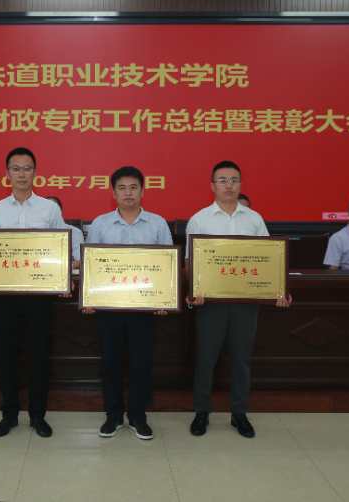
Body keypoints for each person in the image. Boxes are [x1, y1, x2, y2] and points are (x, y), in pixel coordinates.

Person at [187, 160, 292, 438]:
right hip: (210, 303)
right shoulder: (200, 219)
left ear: (241, 184)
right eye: (222, 180)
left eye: (234, 180)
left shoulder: (254, 219)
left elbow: (270, 258)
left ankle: (239, 413)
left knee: (242, 360)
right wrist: (194, 292)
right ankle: (201, 411)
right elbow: (191, 261)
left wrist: (279, 289)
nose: (229, 185)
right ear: (212, 186)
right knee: (206, 359)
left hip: (246, 302)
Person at [0, 147, 66, 438]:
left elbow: (62, 247)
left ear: (35, 173)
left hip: (39, 297)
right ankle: (9, 414)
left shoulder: (49, 209)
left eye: (27, 168)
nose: (22, 174)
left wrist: (64, 279)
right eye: (16, 168)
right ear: (7, 173)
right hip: (5, 297)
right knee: (6, 356)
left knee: (39, 357)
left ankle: (38, 416)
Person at [84, 166, 173, 441]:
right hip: (108, 309)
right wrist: (88, 298)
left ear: (142, 191)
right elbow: (91, 265)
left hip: (143, 309)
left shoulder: (158, 224)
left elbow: (167, 266)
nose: (128, 193)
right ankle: (113, 416)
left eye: (133, 187)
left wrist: (165, 299)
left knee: (141, 364)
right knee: (110, 363)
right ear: (113, 193)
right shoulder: (100, 224)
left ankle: (137, 416)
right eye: (122, 188)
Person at [45, 195, 83, 264]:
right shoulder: (37, 234)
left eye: (53, 209)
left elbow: (79, 261)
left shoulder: (75, 232)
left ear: (60, 211)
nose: (50, 212)